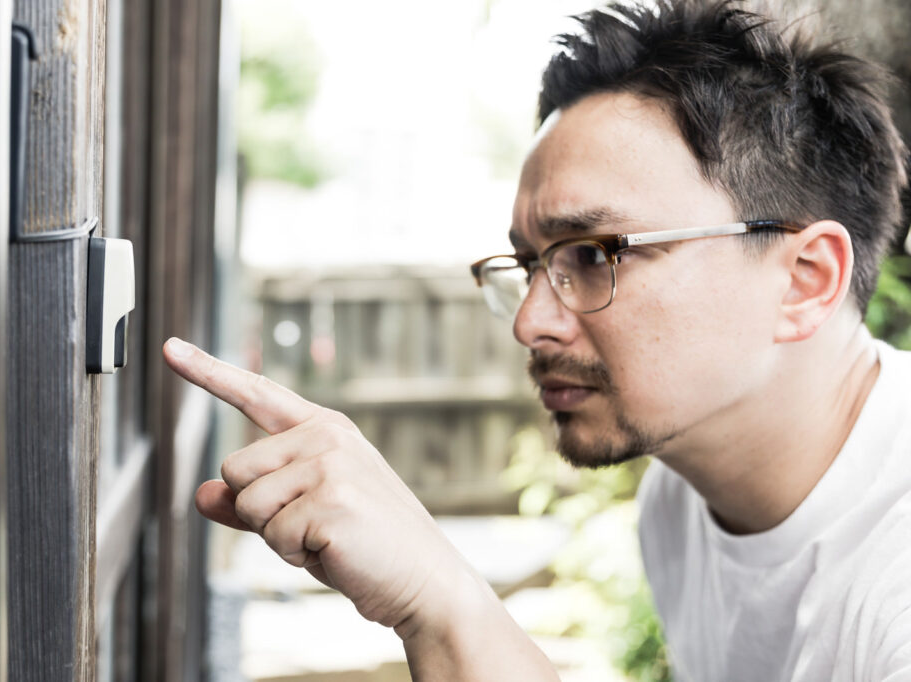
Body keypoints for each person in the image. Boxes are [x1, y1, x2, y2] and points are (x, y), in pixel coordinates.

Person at [164, 0, 911, 679]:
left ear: (804, 280)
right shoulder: (679, 501)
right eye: (529, 264)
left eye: (594, 253)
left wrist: (444, 602)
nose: (529, 322)